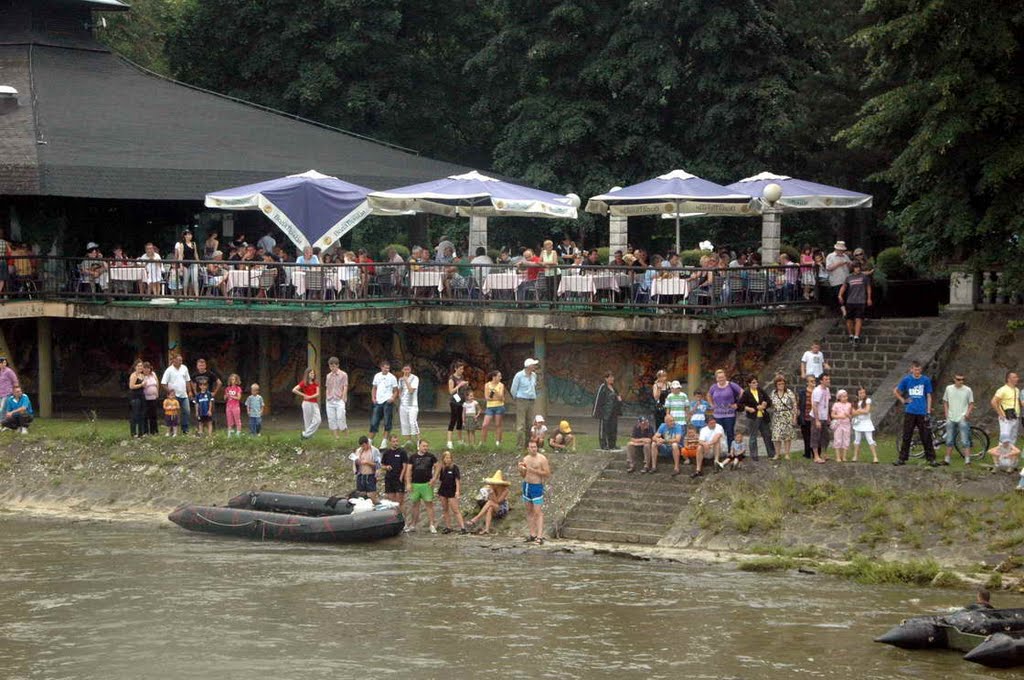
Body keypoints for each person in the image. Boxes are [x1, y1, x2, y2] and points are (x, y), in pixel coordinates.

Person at [893, 360, 937, 466]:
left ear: (921, 370)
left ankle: (931, 458)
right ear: (911, 369)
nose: (917, 371)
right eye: (915, 369)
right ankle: (902, 458)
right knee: (907, 435)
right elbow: (896, 391)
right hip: (910, 411)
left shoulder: (925, 380)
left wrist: (928, 410)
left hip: (922, 412)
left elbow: (929, 395)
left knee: (926, 435)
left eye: (918, 369)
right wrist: (903, 400)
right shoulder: (907, 379)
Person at [518, 440, 551, 544]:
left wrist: (534, 470)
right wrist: (521, 469)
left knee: (538, 512)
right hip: (526, 485)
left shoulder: (542, 459)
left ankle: (540, 536)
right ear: (528, 448)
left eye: (535, 447)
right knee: (529, 511)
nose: (534, 449)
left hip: (537, 486)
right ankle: (532, 534)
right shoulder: (526, 459)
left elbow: (547, 473)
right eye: (531, 447)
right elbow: (523, 475)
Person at [405, 439, 439, 533]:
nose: (425, 448)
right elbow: (408, 470)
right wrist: (408, 483)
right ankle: (413, 525)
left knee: (429, 504)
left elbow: (438, 466)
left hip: (427, 484)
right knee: (415, 505)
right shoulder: (413, 457)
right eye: (424, 446)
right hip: (415, 484)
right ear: (419, 446)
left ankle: (432, 525)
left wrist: (434, 478)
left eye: (427, 446)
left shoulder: (431, 456)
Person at [739, 376, 775, 461]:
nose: (756, 384)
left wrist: (765, 404)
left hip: (763, 416)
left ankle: (771, 453)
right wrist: (748, 408)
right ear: (749, 384)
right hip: (753, 418)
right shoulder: (746, 392)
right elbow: (740, 404)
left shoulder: (760, 390)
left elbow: (769, 401)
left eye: (756, 382)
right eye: (753, 383)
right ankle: (754, 456)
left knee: (767, 435)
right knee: (753, 437)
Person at [942, 374, 975, 465]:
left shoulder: (968, 390)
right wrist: (946, 413)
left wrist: (967, 413)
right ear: (954, 379)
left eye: (962, 379)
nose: (961, 381)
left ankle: (967, 460)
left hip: (962, 417)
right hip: (951, 417)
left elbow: (971, 403)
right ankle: (947, 459)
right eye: (958, 379)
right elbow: (945, 401)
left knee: (965, 439)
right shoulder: (948, 388)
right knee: (949, 439)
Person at [467, 470, 511, 535]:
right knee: (490, 508)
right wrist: (490, 493)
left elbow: (498, 502)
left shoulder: (505, 490)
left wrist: (492, 493)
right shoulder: (491, 488)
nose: (493, 484)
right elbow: (489, 499)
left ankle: (476, 518)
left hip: (502, 508)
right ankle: (487, 529)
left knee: (490, 503)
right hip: (493, 507)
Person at [708, 369, 742, 451]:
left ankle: (731, 451)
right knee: (719, 433)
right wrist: (712, 404)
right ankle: (720, 451)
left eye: (723, 377)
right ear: (716, 378)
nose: (721, 379)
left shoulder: (731, 385)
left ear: (725, 377)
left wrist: (737, 404)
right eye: (719, 377)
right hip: (717, 415)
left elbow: (742, 392)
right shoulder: (714, 387)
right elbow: (709, 395)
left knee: (730, 433)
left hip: (729, 414)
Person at [839, 261, 873, 343]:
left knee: (859, 318)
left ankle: (856, 336)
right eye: (856, 267)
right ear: (852, 268)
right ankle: (851, 335)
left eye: (858, 267)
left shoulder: (864, 277)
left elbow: (868, 287)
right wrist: (840, 295)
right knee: (849, 319)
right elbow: (844, 286)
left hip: (861, 301)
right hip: (850, 301)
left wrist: (869, 298)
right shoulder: (849, 277)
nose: (857, 269)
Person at [510, 358, 540, 448]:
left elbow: (534, 387)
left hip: (531, 400)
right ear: (529, 366)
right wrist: (516, 398)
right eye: (533, 365)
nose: (535, 366)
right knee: (521, 424)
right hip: (521, 400)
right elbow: (513, 389)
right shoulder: (519, 375)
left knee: (530, 423)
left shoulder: (534, 375)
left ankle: (528, 444)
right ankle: (519, 445)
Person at [369, 360, 399, 447]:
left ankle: (384, 441)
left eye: (388, 368)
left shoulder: (392, 377)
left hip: (387, 401)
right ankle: (370, 440)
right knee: (374, 421)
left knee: (387, 421)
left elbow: (396, 390)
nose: (387, 369)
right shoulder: (377, 376)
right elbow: (374, 388)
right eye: (385, 368)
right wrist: (373, 397)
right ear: (381, 367)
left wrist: (392, 398)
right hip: (378, 401)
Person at [767, 375, 797, 461]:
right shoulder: (773, 393)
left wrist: (794, 417)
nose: (781, 385)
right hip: (777, 416)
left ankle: (787, 454)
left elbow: (794, 404)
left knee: (787, 436)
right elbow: (769, 403)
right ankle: (777, 454)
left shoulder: (789, 392)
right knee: (776, 436)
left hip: (787, 415)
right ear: (776, 385)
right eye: (779, 384)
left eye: (783, 383)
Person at [436, 450, 466, 534]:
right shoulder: (442, 468)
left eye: (449, 458)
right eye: (446, 458)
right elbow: (441, 479)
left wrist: (457, 491)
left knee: (455, 510)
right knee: (445, 509)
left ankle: (463, 528)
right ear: (443, 459)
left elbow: (457, 480)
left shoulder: (454, 467)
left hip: (452, 490)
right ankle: (448, 527)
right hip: (443, 490)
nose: (448, 459)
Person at [160, 353, 191, 434]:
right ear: (174, 360)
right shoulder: (169, 370)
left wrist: (190, 391)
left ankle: (185, 429)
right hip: (173, 397)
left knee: (187, 411)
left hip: (184, 395)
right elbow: (163, 383)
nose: (180, 362)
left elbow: (187, 380)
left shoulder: (184, 368)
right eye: (179, 360)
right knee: (173, 414)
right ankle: (171, 430)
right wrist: (170, 392)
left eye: (181, 360)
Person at [593, 371, 623, 450]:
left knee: (613, 428)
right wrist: (597, 412)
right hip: (605, 413)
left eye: (613, 377)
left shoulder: (614, 388)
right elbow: (598, 400)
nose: (612, 379)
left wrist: (619, 400)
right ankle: (604, 445)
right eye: (610, 377)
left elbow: (618, 398)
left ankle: (612, 444)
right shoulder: (603, 387)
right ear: (606, 378)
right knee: (604, 429)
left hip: (613, 413)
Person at [380, 435, 409, 513]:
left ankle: (403, 520)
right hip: (389, 479)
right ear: (390, 442)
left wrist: (402, 477)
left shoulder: (402, 452)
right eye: (394, 441)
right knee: (392, 501)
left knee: (400, 501)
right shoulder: (386, 453)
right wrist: (386, 467)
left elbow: (405, 466)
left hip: (399, 479)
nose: (396, 443)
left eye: (397, 441)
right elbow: (382, 465)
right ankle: (395, 519)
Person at [991, 371, 1020, 447]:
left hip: (1015, 417)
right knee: (1005, 440)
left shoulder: (1017, 390)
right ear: (1008, 379)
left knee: (1013, 439)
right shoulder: (1002, 390)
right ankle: (1002, 458)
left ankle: (1010, 458)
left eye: (1017, 377)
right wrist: (1001, 414)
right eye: (1014, 377)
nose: (1017, 379)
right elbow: (993, 402)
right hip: (1006, 419)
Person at [851, 386, 879, 463]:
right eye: (860, 393)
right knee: (857, 440)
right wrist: (860, 411)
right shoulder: (855, 402)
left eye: (863, 392)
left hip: (866, 422)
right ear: (857, 394)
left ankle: (875, 457)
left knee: (870, 439)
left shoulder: (867, 400)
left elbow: (867, 411)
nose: (862, 394)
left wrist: (859, 410)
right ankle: (855, 456)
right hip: (858, 422)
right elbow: (853, 413)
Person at [292, 368, 322, 440]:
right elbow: (294, 390)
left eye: (313, 373)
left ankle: (305, 434)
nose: (312, 375)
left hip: (314, 403)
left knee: (318, 420)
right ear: (307, 374)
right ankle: (309, 437)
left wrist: (310, 396)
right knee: (307, 421)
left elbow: (317, 393)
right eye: (311, 373)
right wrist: (303, 395)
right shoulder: (304, 383)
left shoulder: (316, 383)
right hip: (306, 403)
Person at [323, 357, 349, 441]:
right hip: (330, 399)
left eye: (334, 366)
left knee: (341, 417)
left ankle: (345, 435)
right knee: (331, 419)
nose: (332, 368)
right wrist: (327, 397)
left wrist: (343, 397)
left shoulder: (343, 374)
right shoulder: (328, 376)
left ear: (337, 365)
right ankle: (336, 437)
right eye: (331, 366)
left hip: (339, 399)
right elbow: (327, 387)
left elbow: (345, 386)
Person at [446, 361, 470, 448]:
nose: (462, 370)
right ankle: (449, 441)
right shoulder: (451, 378)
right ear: (455, 368)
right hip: (454, 401)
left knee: (460, 420)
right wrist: (460, 385)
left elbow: (463, 389)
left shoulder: (462, 377)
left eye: (462, 369)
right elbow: (451, 391)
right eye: (460, 369)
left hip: (461, 401)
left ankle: (460, 440)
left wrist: (466, 385)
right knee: (453, 420)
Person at [481, 370, 506, 447]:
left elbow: (501, 397)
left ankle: (498, 442)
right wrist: (497, 398)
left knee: (498, 424)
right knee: (485, 425)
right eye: (499, 376)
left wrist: (495, 391)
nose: (500, 378)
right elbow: (487, 397)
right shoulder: (487, 385)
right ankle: (483, 442)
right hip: (490, 407)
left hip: (499, 406)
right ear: (494, 377)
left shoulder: (501, 385)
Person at [353, 435, 381, 503]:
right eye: (362, 446)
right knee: (361, 496)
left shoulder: (375, 451)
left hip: (370, 476)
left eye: (364, 446)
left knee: (372, 496)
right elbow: (355, 463)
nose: (363, 447)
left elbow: (378, 465)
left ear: (367, 443)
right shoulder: (358, 451)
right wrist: (357, 463)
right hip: (361, 475)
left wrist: (368, 462)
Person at [174, 230, 200, 297]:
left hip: (193, 263)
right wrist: (181, 265)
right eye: (188, 235)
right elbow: (180, 255)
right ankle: (185, 295)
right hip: (185, 264)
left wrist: (199, 263)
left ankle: (197, 296)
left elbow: (196, 254)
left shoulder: (194, 244)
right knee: (186, 280)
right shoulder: (182, 244)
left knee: (195, 280)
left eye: (190, 235)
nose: (189, 236)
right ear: (185, 236)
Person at [398, 362, 420, 445]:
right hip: (403, 404)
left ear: (410, 370)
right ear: (402, 370)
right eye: (405, 369)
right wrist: (401, 398)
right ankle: (408, 441)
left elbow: (411, 390)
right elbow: (399, 390)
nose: (406, 371)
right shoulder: (400, 379)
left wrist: (406, 380)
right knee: (404, 422)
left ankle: (418, 441)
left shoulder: (415, 378)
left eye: (408, 369)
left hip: (412, 405)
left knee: (413, 422)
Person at [825, 241, 851, 306]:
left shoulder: (845, 256)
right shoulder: (830, 256)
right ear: (836, 249)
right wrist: (838, 264)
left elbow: (850, 268)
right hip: (836, 280)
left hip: (846, 279)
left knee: (847, 297)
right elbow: (828, 268)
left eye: (842, 250)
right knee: (838, 298)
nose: (841, 252)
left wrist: (849, 264)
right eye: (840, 250)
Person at [830, 389, 853, 463]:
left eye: (846, 396)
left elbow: (851, 416)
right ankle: (838, 456)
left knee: (846, 440)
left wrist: (848, 415)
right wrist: (839, 416)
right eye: (843, 397)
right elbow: (832, 415)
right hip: (839, 424)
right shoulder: (836, 405)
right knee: (838, 439)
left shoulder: (849, 405)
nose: (845, 398)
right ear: (839, 397)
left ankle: (844, 456)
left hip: (847, 424)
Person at [127, 359, 146, 438]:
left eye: (141, 366)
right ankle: (133, 433)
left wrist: (143, 385)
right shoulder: (134, 375)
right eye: (138, 366)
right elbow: (131, 386)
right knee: (135, 415)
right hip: (135, 397)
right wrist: (141, 385)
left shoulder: (142, 375)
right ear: (135, 367)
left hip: (141, 396)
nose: (140, 367)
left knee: (142, 414)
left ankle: (141, 433)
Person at [141, 361, 160, 435]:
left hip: (153, 397)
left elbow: (157, 383)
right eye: (145, 368)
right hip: (145, 398)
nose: (146, 370)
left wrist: (157, 392)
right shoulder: (141, 376)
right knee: (145, 415)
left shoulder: (153, 374)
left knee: (153, 415)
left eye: (148, 368)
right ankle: (145, 431)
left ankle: (154, 431)